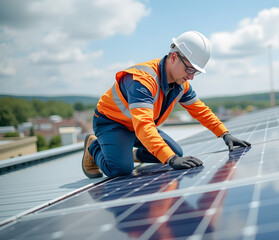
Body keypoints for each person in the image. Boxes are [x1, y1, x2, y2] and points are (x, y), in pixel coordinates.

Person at [82, 30, 251, 178]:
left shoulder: (180, 84)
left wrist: (224, 134)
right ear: (174, 57)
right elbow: (144, 126)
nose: (191, 77)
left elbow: (200, 110)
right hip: (112, 124)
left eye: (196, 72)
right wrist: (170, 160)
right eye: (190, 69)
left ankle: (130, 153)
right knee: (121, 169)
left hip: (137, 126)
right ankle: (94, 146)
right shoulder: (143, 80)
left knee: (176, 152)